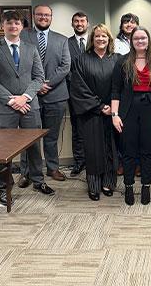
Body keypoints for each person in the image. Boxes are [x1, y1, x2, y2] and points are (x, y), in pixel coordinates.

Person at [0, 10, 55, 205]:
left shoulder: (31, 49)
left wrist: (24, 97)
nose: (13, 26)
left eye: (17, 23)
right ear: (3, 26)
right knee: (3, 150)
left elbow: (39, 77)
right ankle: (4, 189)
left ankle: (38, 182)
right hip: (4, 108)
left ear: (22, 27)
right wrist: (11, 100)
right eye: (9, 23)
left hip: (29, 106)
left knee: (33, 146)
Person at [111, 26, 151, 206]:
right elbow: (115, 91)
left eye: (143, 38)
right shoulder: (122, 62)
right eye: (136, 38)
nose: (140, 41)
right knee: (128, 151)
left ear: (148, 40)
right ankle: (128, 186)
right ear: (131, 40)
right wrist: (115, 115)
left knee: (148, 151)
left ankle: (145, 186)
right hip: (128, 110)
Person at [20, 5, 71, 182]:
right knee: (29, 137)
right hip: (29, 96)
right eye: (40, 14)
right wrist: (36, 86)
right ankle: (26, 172)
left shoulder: (62, 39)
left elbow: (65, 66)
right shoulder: (23, 36)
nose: (43, 17)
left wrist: (46, 84)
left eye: (47, 15)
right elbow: (19, 66)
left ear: (51, 17)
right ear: (34, 16)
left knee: (51, 135)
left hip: (55, 95)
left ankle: (52, 168)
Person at [70, 24, 119, 201]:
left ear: (109, 39)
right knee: (92, 149)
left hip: (113, 111)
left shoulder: (116, 59)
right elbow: (78, 87)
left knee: (111, 148)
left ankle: (108, 183)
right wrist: (99, 106)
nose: (100, 39)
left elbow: (120, 85)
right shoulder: (81, 59)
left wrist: (112, 107)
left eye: (104, 36)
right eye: (97, 36)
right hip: (90, 112)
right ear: (92, 39)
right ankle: (93, 185)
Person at [67, 11, 89, 177]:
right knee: (78, 129)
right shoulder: (65, 43)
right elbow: (65, 68)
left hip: (96, 92)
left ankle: (95, 160)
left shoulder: (96, 40)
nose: (79, 23)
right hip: (74, 94)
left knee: (97, 128)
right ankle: (79, 162)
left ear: (87, 23)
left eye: (82, 21)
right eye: (76, 21)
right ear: (72, 24)